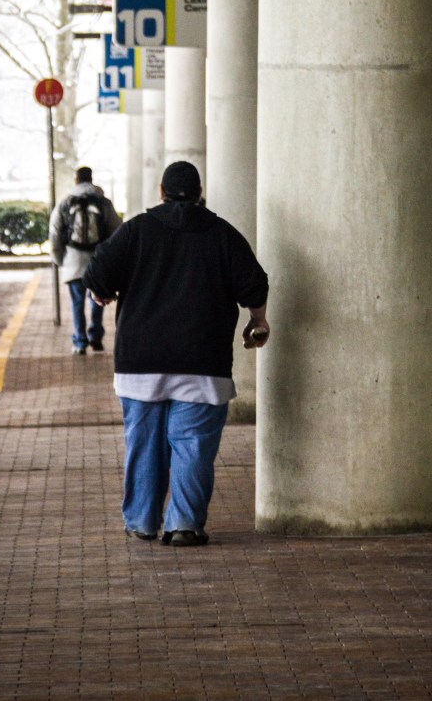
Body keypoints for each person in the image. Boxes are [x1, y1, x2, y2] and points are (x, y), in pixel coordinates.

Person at [83, 160, 269, 548]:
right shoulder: (222, 234)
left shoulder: (136, 230)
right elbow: (254, 284)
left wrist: (103, 293)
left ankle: (141, 521)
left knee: (144, 443)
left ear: (161, 192)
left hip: (140, 362)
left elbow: (97, 273)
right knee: (193, 445)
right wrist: (258, 322)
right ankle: (183, 524)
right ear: (200, 194)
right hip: (203, 362)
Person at [49, 166, 122, 356]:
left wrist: (59, 259)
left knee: (77, 302)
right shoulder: (103, 203)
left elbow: (55, 233)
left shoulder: (65, 203)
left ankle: (80, 341)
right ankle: (96, 337)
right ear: (91, 179)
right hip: (97, 261)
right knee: (96, 300)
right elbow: (117, 231)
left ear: (76, 180)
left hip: (73, 261)